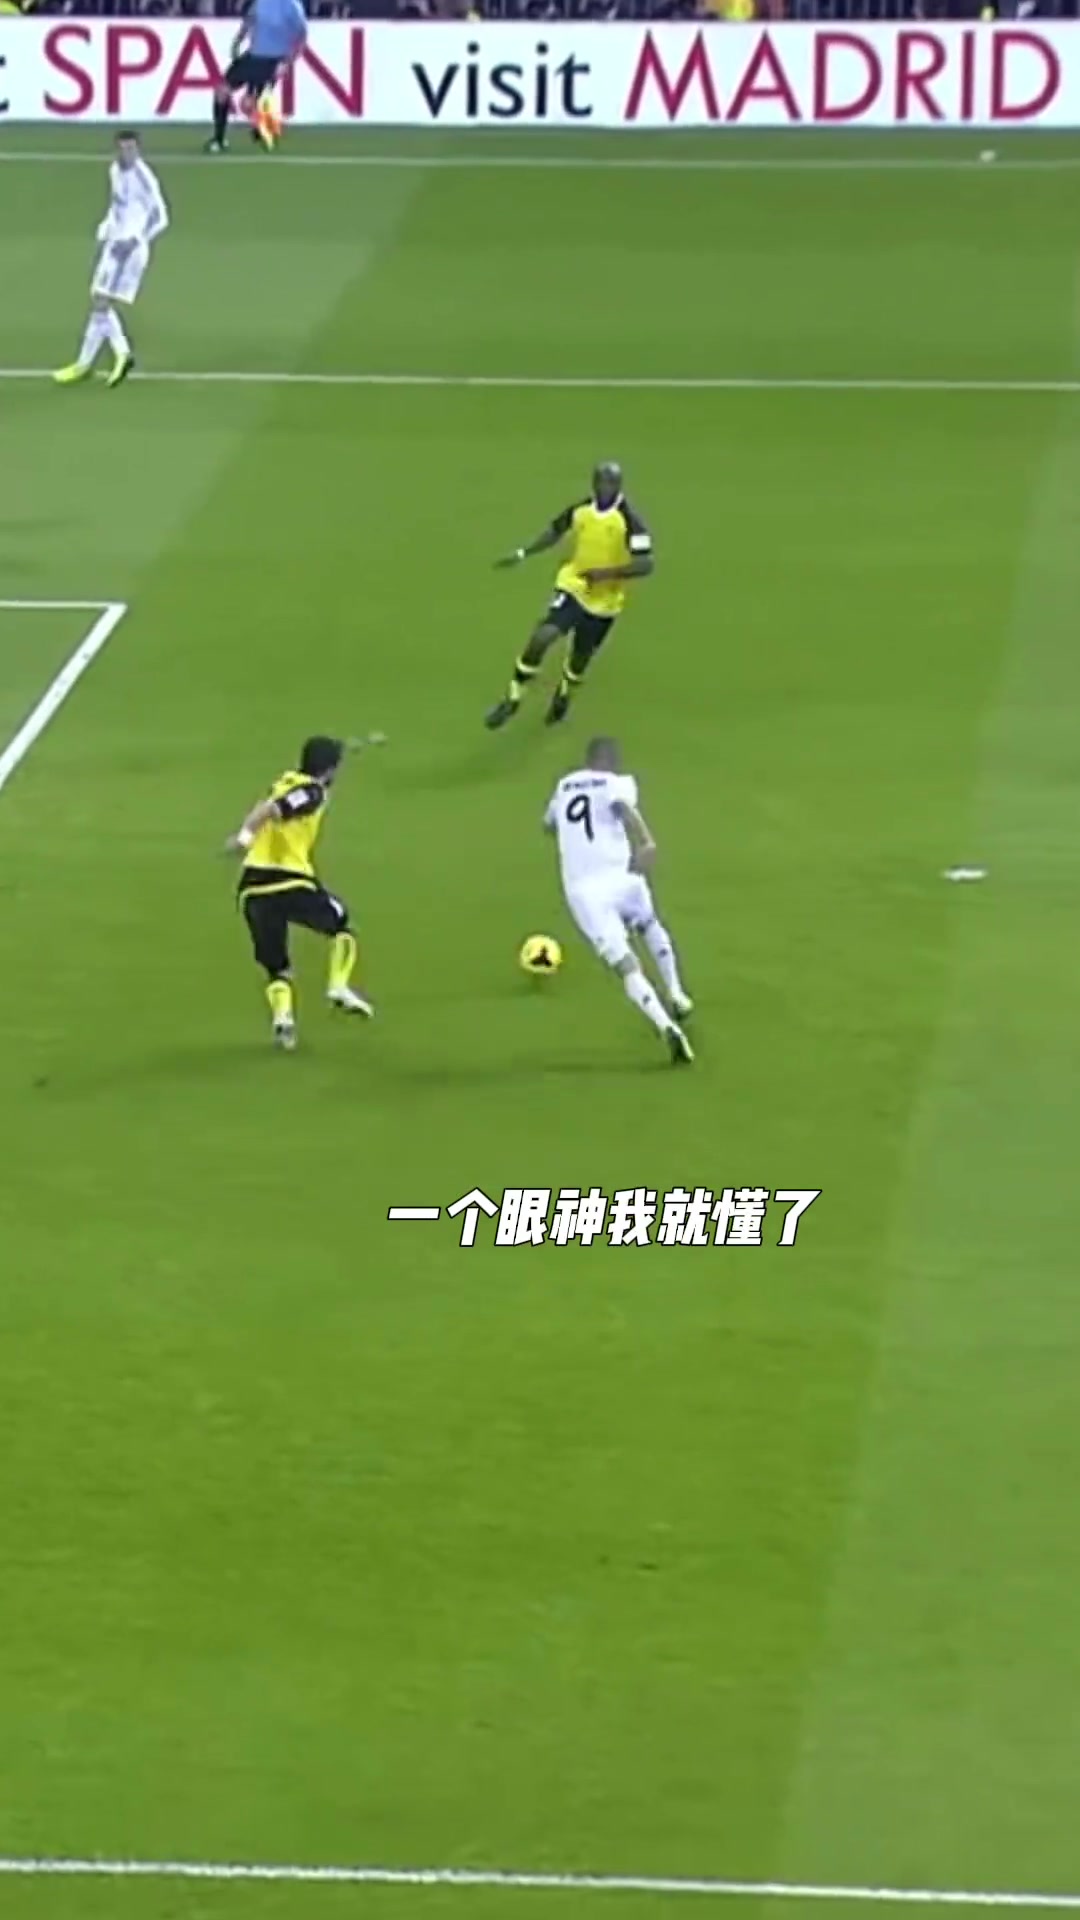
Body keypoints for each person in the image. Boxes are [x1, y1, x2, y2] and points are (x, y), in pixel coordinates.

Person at [544, 737, 693, 1065]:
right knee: (650, 924)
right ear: (611, 761)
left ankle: (666, 1026)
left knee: (625, 965)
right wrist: (647, 842)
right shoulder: (617, 782)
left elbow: (549, 824)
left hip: (584, 892)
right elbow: (624, 808)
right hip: (621, 875)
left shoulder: (564, 785)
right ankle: (676, 994)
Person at [224, 735, 376, 1052]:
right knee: (341, 924)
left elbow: (267, 805)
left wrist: (246, 836)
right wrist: (244, 837)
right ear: (329, 769)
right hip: (288, 881)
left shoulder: (285, 781)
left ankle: (284, 1023)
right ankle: (339, 985)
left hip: (252, 891)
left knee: (277, 966)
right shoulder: (310, 792)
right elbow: (274, 809)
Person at [485, 461, 654, 731]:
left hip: (605, 602)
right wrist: (523, 553)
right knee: (543, 636)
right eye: (601, 482)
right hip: (574, 585)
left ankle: (564, 694)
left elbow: (645, 564)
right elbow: (555, 531)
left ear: (619, 485)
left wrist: (606, 574)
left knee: (579, 659)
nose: (605, 488)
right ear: (594, 483)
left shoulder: (631, 521)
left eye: (611, 483)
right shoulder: (581, 510)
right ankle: (512, 699)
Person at [53, 131, 168, 391]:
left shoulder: (144, 177)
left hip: (130, 250)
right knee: (98, 301)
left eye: (131, 149)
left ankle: (120, 354)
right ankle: (85, 364)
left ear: (138, 150)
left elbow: (161, 217)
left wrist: (137, 240)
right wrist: (105, 228)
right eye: (123, 149)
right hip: (114, 243)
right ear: (116, 150)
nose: (127, 154)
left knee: (101, 301)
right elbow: (117, 207)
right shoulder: (114, 170)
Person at [207, 0, 308, 155]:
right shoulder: (260, 2)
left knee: (250, 103)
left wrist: (287, 62)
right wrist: (238, 41)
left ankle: (264, 127)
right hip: (252, 57)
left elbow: (302, 37)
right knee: (222, 91)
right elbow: (249, 20)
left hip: (273, 60)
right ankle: (218, 139)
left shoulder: (291, 6)